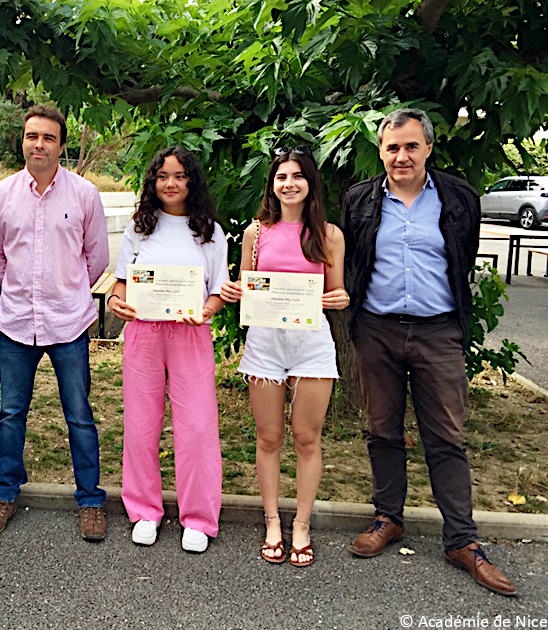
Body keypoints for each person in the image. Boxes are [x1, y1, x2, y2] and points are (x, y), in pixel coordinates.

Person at [342, 108, 516, 596]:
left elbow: (462, 256)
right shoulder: (359, 199)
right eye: (393, 147)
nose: (402, 156)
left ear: (428, 148)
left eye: (411, 146)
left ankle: (462, 540)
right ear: (381, 151)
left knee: (446, 436)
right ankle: (388, 517)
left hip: (439, 332)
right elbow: (355, 261)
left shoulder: (459, 197)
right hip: (376, 329)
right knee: (382, 429)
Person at [0, 104, 110, 540]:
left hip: (68, 325)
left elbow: (97, 258)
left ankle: (90, 500)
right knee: (11, 413)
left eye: (48, 137)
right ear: (23, 140)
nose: (39, 144)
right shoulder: (0, 195)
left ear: (61, 145)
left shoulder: (85, 195)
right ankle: (5, 493)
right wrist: (22, 291)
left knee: (79, 415)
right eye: (32, 135)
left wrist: (69, 292)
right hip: (16, 325)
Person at [220, 147, 349, 567]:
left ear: (310, 182)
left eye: (297, 176)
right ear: (272, 184)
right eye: (280, 177)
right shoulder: (256, 233)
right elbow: (244, 284)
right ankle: (273, 520)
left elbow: (336, 291)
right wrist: (234, 291)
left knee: (307, 439)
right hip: (265, 343)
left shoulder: (329, 235)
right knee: (269, 437)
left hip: (312, 343)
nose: (288, 183)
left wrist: (340, 297)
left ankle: (302, 526)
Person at [107, 147, 227, 553]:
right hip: (144, 333)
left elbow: (218, 291)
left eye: (179, 176)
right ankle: (144, 510)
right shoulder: (139, 228)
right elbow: (121, 281)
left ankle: (198, 517)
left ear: (191, 181)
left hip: (190, 334)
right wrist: (115, 301)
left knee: (196, 426)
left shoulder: (209, 230)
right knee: (141, 425)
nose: (170, 184)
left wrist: (207, 310)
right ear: (152, 182)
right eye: (162, 177)